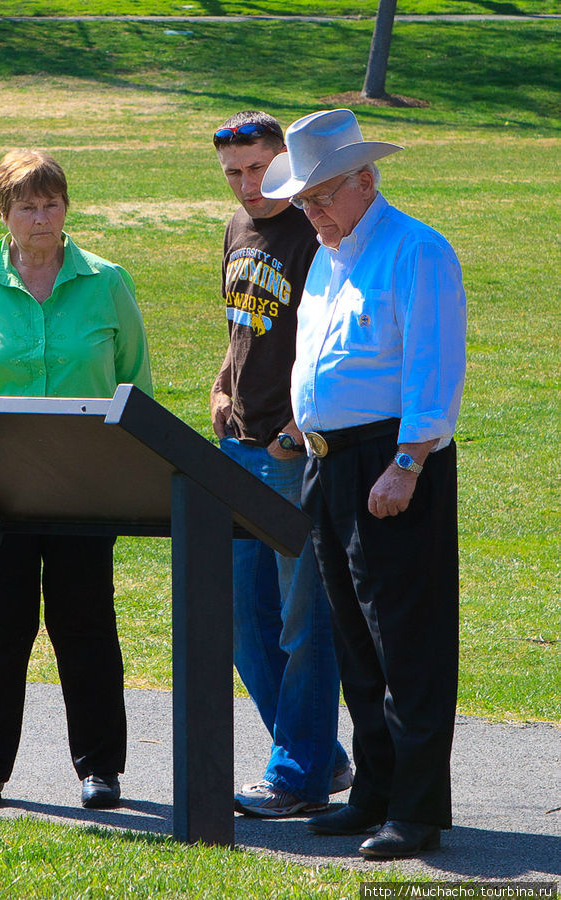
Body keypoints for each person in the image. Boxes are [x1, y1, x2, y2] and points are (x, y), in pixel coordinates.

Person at [261, 108, 466, 859]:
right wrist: (297, 428)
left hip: (391, 463)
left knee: (406, 641)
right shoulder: (328, 253)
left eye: (321, 195)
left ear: (366, 180)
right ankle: (375, 792)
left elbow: (432, 367)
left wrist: (407, 463)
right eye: (304, 200)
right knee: (355, 642)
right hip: (327, 463)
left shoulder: (417, 251)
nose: (309, 211)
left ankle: (416, 811)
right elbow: (322, 358)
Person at [0, 148, 153, 812]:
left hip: (85, 488)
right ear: (3, 212)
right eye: (26, 205)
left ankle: (100, 770)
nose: (41, 217)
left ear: (67, 207)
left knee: (85, 624)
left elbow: (134, 383)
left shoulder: (107, 281)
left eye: (51, 203)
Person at [210, 110, 352, 818]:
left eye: (259, 168)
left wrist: (297, 426)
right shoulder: (238, 230)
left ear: (286, 163)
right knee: (241, 620)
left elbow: (326, 334)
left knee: (303, 621)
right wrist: (219, 386)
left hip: (287, 453)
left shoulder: (311, 232)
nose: (247, 185)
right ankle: (319, 757)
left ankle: (296, 776)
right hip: (235, 447)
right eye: (234, 173)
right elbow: (242, 326)